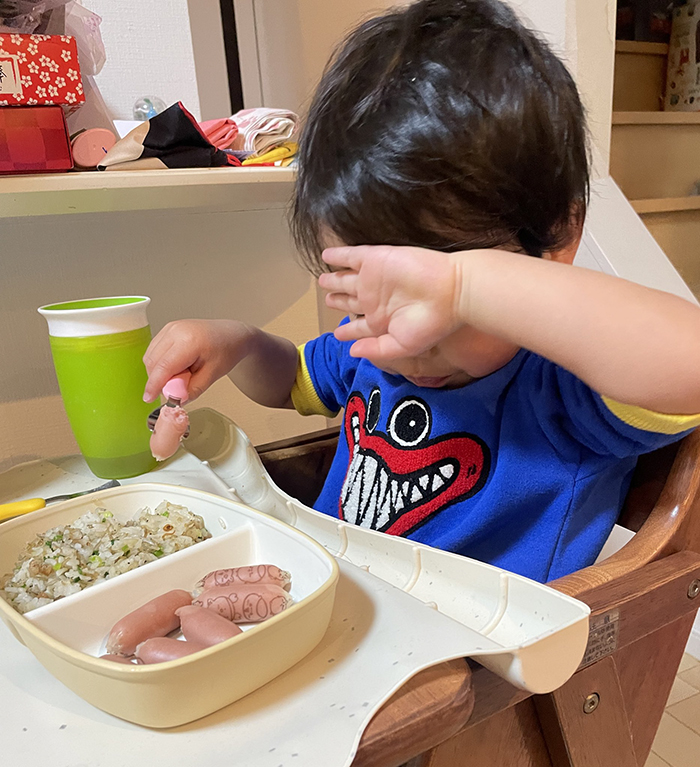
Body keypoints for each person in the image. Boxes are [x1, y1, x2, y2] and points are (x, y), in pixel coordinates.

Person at [143, 0, 700, 582]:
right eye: (371, 303)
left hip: (469, 659)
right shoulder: (377, 345)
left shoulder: (559, 387)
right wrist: (237, 343)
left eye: (444, 314)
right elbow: (289, 379)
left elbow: (689, 360)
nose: (405, 349)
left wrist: (464, 287)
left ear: (557, 235)